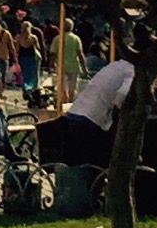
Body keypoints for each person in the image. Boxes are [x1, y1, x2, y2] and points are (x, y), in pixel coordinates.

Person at [40, 35, 132, 172]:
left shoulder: (114, 66)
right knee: (103, 160)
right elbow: (121, 98)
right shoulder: (132, 71)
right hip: (92, 120)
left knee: (79, 163)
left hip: (75, 113)